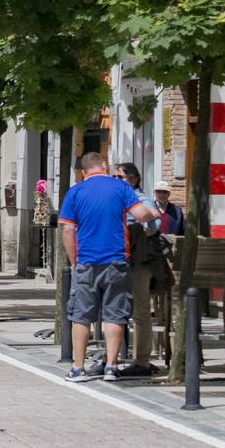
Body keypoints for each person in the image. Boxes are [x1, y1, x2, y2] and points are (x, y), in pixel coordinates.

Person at [58, 153, 162, 383]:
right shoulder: (120, 188)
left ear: (84, 172)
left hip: (86, 261)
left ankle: (78, 368)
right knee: (115, 315)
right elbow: (141, 214)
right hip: (117, 261)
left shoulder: (75, 192)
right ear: (104, 166)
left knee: (81, 316)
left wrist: (74, 261)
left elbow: (67, 230)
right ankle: (112, 367)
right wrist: (153, 213)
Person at [112, 163, 163, 378]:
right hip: (119, 261)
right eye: (114, 177)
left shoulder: (140, 200)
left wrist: (135, 230)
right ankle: (112, 359)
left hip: (139, 263)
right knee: (115, 310)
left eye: (120, 177)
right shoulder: (118, 198)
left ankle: (142, 361)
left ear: (133, 179)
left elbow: (155, 224)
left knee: (140, 312)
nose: (116, 180)